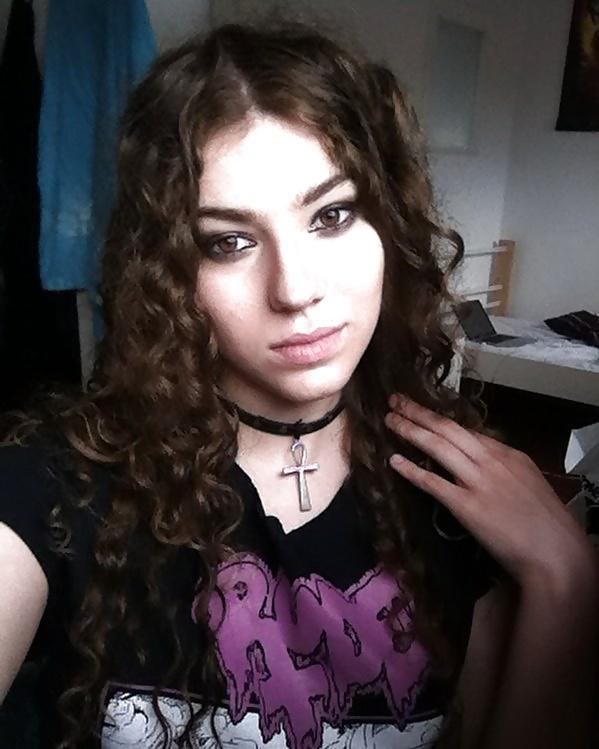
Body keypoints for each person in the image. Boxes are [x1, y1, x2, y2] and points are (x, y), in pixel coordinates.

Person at [0, 17, 597, 749]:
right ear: (171, 273)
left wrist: (565, 578)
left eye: (332, 215)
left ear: (389, 223)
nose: (295, 289)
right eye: (229, 242)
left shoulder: (459, 505)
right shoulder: (59, 481)